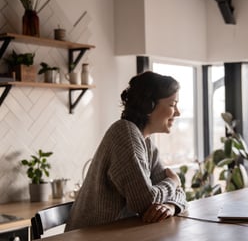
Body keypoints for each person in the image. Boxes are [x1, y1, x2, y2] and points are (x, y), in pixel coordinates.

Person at [65, 71, 188, 231]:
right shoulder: (124, 133)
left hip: (112, 240)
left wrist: (171, 206)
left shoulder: (147, 144)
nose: (177, 112)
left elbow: (179, 194)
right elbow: (145, 202)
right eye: (172, 105)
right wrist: (173, 182)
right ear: (148, 106)